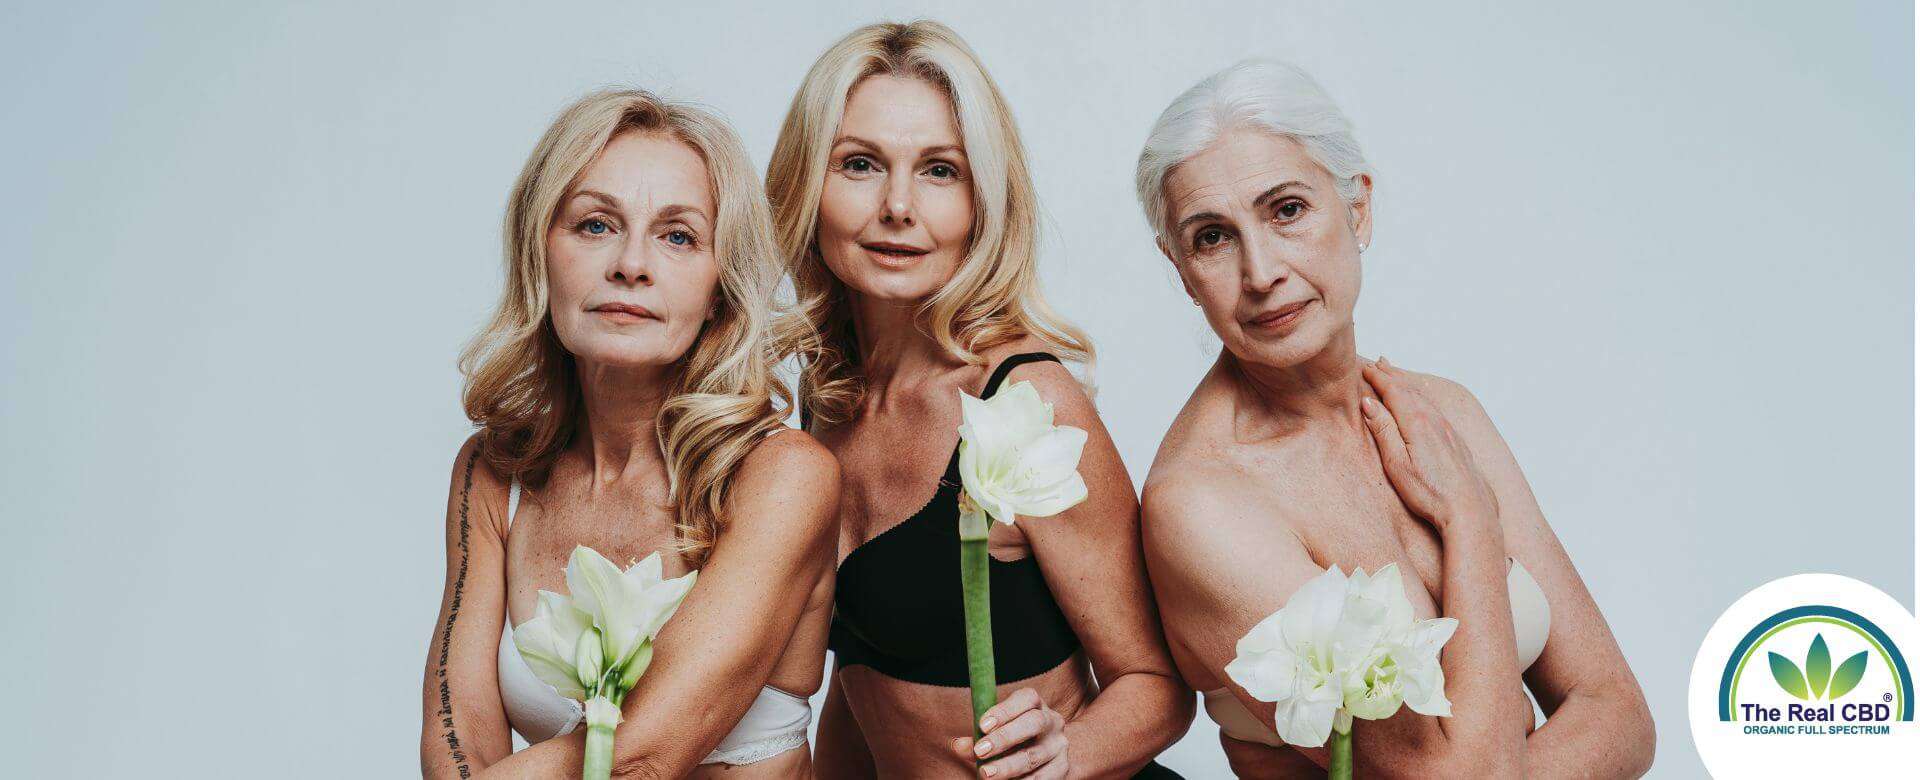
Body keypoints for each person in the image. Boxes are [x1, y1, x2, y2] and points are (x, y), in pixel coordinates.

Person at [1133, 60, 1656, 778]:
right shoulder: (1201, 505)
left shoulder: (1443, 413)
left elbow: (1620, 711)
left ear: (1358, 209)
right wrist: (1470, 520)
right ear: (1183, 271)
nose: (1261, 273)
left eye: (1287, 210)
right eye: (1213, 238)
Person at [766, 20, 1193, 779]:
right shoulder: (827, 390)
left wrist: (1067, 756)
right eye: (860, 164)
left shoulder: (1026, 403)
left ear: (983, 200)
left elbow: (1156, 686)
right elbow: (861, 688)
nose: (899, 206)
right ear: (807, 183)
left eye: (939, 171)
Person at [418, 88, 839, 778]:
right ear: (538, 254)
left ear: (719, 289)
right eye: (594, 226)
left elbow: (641, 754)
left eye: (678, 236)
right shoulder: (492, 473)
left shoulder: (784, 476)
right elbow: (457, 724)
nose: (631, 265)